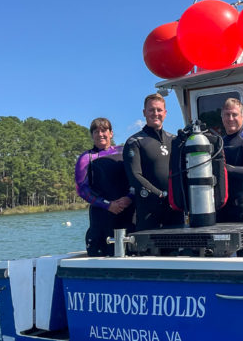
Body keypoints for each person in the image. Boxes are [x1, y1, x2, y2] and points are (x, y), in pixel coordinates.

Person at [75, 118, 135, 256]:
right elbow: (82, 189)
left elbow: (136, 179)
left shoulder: (124, 152)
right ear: (92, 135)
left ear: (111, 133)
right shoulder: (86, 157)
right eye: (96, 131)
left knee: (131, 253)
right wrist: (108, 205)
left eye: (104, 130)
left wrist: (129, 198)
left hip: (127, 212)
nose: (100, 134)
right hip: (102, 215)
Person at [123, 93, 183, 231]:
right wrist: (160, 194)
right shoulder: (135, 142)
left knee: (177, 251)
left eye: (159, 110)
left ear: (165, 113)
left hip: (175, 209)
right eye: (151, 110)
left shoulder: (174, 140)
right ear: (144, 112)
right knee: (151, 252)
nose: (155, 113)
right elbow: (135, 176)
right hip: (148, 210)